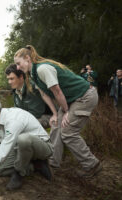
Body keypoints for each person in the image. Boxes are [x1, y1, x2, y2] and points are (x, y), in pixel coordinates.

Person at [14, 45, 102, 177]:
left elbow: (57, 91)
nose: (17, 68)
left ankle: (92, 165)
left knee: (68, 132)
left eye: (18, 63)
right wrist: (55, 114)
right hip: (71, 99)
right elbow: (45, 94)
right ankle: (52, 163)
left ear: (27, 58)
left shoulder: (43, 69)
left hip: (84, 96)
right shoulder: (33, 74)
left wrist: (66, 112)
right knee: (56, 125)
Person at [5, 63, 52, 128]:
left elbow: (36, 113)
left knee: (22, 127)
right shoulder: (15, 91)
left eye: (12, 79)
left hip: (46, 116)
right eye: (8, 79)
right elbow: (17, 111)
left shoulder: (32, 88)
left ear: (21, 77)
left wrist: (18, 121)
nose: (9, 82)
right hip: (29, 117)